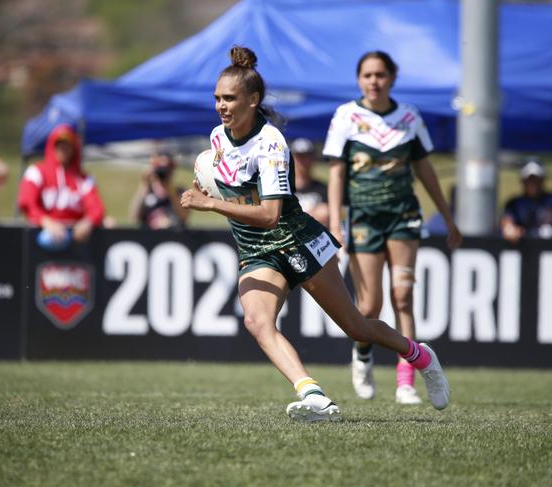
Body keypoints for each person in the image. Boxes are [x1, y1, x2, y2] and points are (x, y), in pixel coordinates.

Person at [180, 46, 450, 423]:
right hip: (256, 249)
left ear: (253, 99)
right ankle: (315, 396)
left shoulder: (271, 142)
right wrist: (213, 192)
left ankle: (421, 357)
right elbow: (234, 187)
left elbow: (271, 214)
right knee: (257, 322)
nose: (221, 106)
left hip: (297, 240)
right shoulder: (216, 138)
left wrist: (211, 206)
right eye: (217, 99)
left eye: (230, 98)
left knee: (356, 325)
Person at [323, 51, 462, 405]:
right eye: (367, 75)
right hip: (364, 220)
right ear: (358, 79)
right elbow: (337, 173)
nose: (374, 81)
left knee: (403, 297)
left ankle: (406, 382)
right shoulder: (346, 117)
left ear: (392, 78)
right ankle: (363, 355)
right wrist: (337, 223)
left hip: (403, 217)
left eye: (381, 74)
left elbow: (425, 170)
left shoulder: (409, 117)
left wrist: (447, 217)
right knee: (369, 304)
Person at [18, 124, 105, 248]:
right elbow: (26, 203)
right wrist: (46, 222)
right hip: (41, 237)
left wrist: (88, 222)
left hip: (76, 240)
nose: (63, 150)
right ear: (52, 146)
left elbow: (97, 208)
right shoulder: (36, 172)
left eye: (67, 146)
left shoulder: (83, 179)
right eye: (59, 145)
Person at [501, 157, 552, 241]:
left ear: (543, 180)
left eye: (536, 179)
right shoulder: (514, 204)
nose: (533, 184)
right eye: (529, 179)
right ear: (522, 181)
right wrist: (511, 231)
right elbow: (507, 223)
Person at [129, 152, 188, 230]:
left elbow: (184, 217)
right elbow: (134, 217)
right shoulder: (147, 190)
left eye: (168, 168)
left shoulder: (180, 191)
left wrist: (171, 192)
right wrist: (145, 184)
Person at [290, 138, 329, 227]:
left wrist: (294, 218)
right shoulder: (283, 189)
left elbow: (325, 214)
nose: (303, 161)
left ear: (313, 158)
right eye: (299, 156)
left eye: (307, 156)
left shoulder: (323, 188)